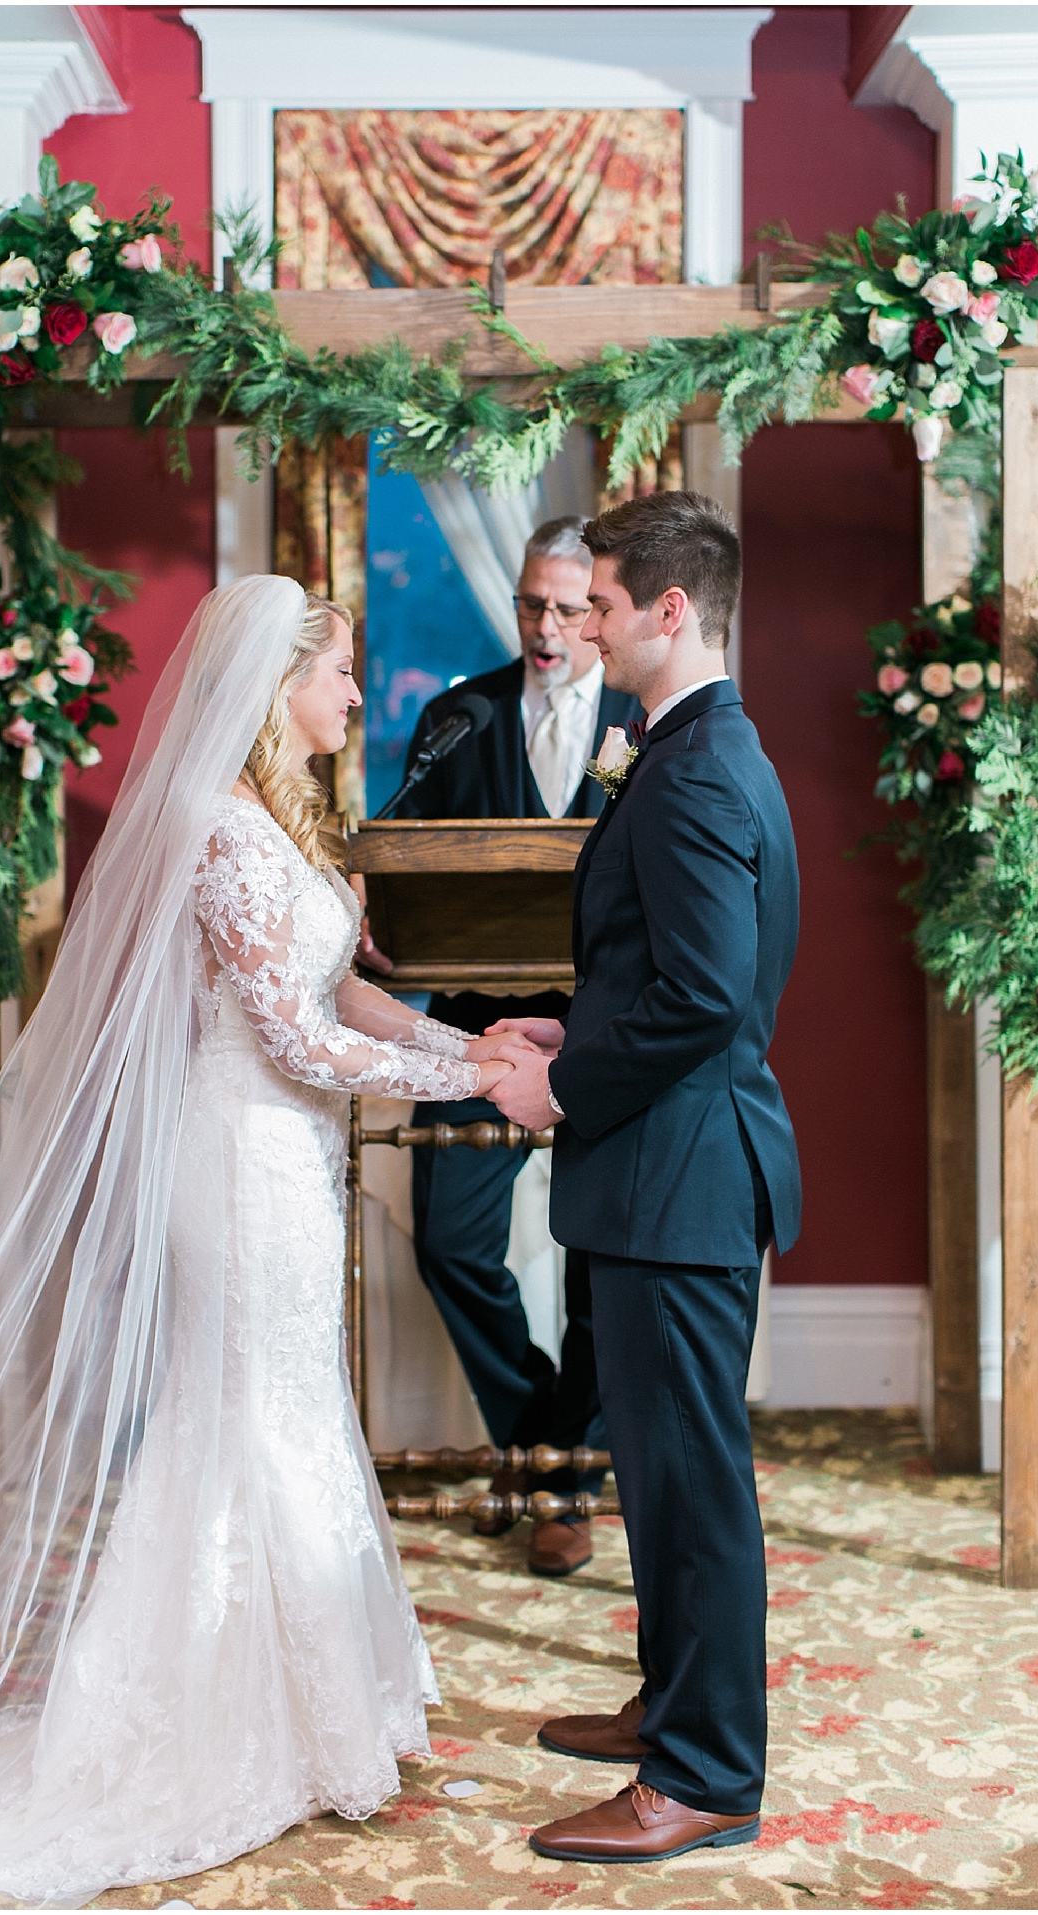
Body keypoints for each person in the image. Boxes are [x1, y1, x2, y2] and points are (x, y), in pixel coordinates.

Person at [0, 578, 522, 1907]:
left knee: (285, 1409)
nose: (356, 696)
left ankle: (295, 1714)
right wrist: (484, 1088)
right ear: (275, 685)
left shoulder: (275, 824)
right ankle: (203, 1721)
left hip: (283, 1158)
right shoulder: (218, 832)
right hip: (234, 1162)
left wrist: (473, 1041)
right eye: (339, 674)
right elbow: (293, 1042)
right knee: (240, 1416)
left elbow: (338, 988)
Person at [487, 492, 801, 1863]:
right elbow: (663, 985)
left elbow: (702, 1000)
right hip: (668, 1166)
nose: (585, 626)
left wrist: (561, 1080)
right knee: (665, 1479)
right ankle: (674, 1706)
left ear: (673, 609)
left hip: (680, 1176)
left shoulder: (694, 767)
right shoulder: (693, 750)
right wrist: (575, 1025)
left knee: (692, 1484)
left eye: (603, 603)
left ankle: (708, 1772)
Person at [387, 517, 644, 1579]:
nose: (544, 627)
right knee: (448, 1240)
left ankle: (562, 1482)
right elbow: (401, 861)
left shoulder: (643, 720)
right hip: (477, 1024)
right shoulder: (458, 717)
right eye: (529, 604)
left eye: (567, 607)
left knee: (600, 1264)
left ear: (600, 613)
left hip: (603, 1031)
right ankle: (542, 1451)